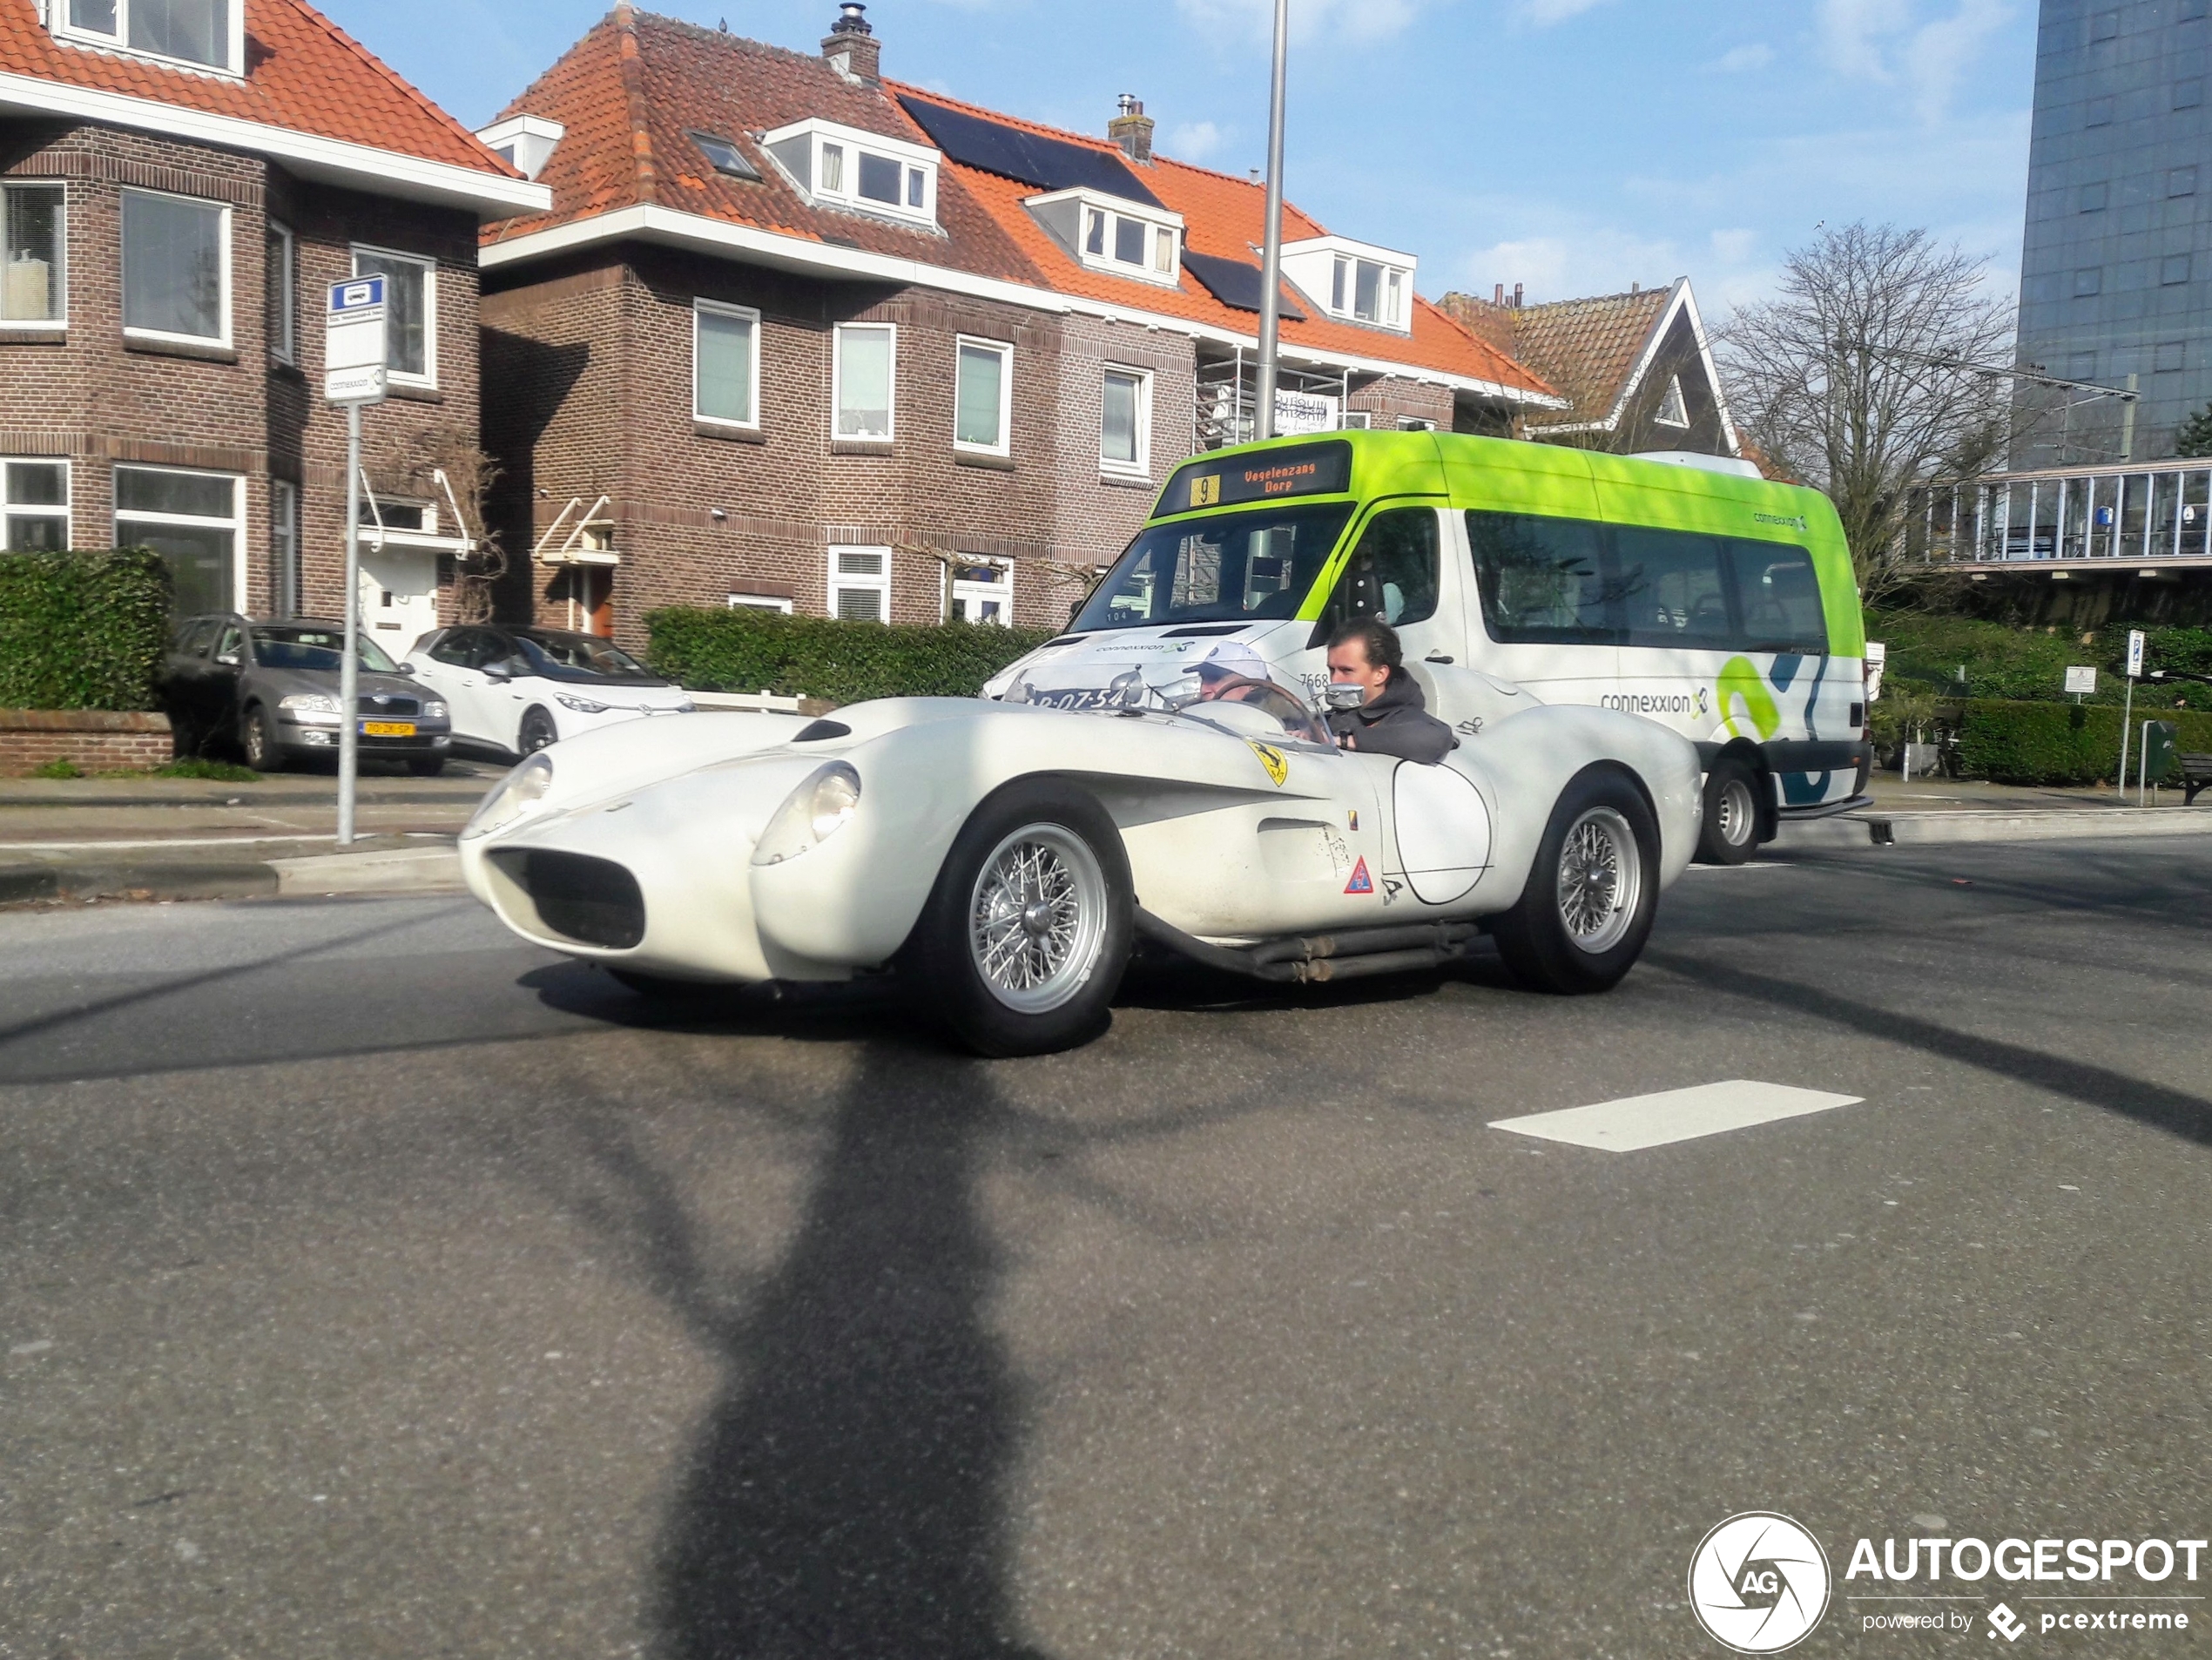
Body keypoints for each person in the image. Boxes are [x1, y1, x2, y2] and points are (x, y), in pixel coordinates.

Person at [1324, 617, 1456, 763]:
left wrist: (1348, 741)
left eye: (1346, 670)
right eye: (1332, 670)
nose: (1335, 680)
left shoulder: (1403, 719)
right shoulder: (1338, 715)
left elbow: (1434, 739)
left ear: (1380, 675)